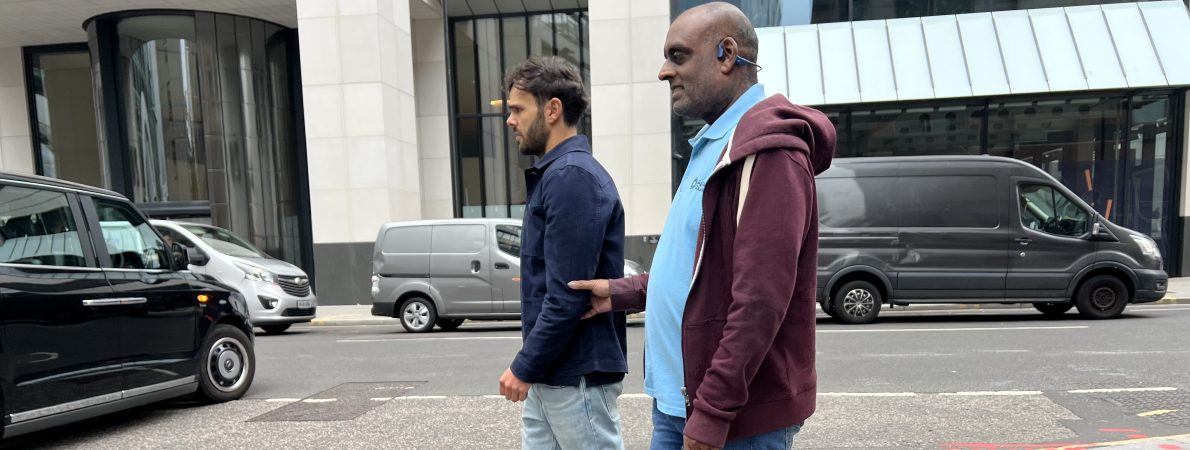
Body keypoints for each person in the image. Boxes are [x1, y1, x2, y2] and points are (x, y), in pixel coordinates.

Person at [569, 3, 837, 449]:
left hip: (732, 421)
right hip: (681, 405)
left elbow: (759, 300)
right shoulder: (715, 145)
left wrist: (713, 413)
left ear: (726, 54)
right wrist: (622, 293)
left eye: (677, 56)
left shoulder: (768, 155)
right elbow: (701, 274)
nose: (663, 72)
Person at [496, 55, 630, 450]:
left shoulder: (572, 178)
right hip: (554, 373)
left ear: (552, 109)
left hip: (576, 377)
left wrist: (524, 366)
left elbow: (567, 293)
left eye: (518, 109)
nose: (510, 120)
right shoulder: (557, 175)